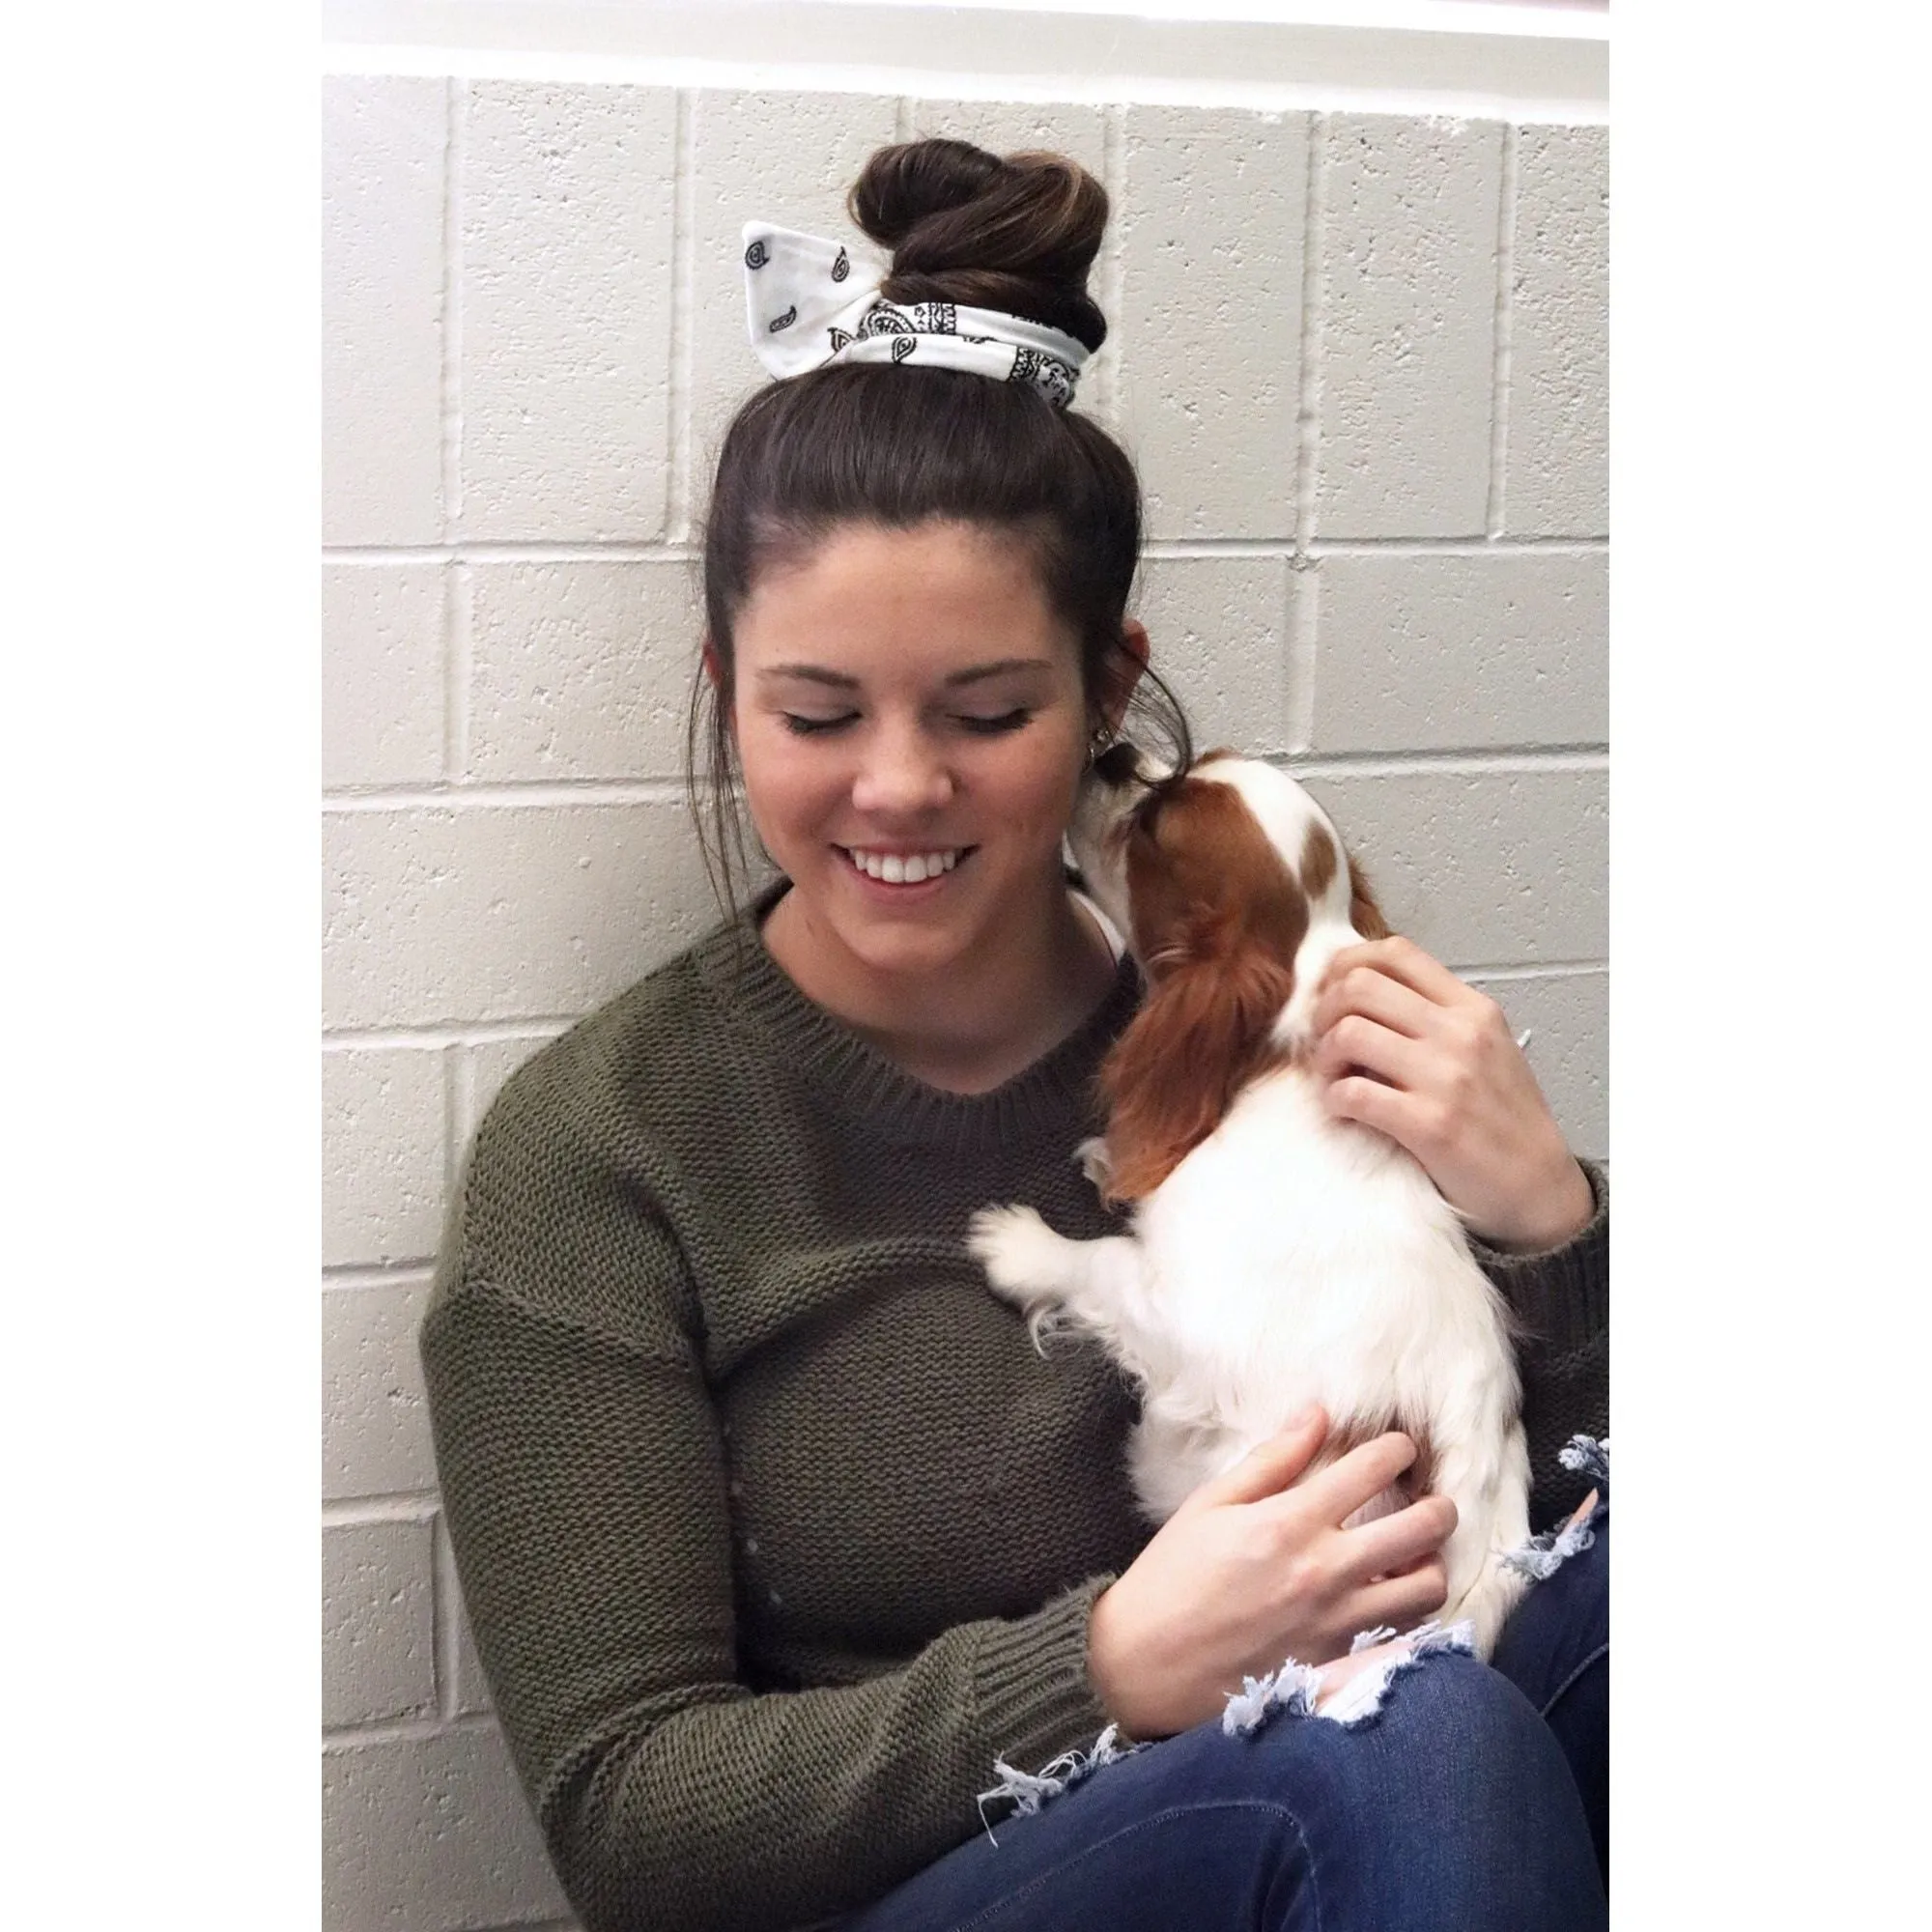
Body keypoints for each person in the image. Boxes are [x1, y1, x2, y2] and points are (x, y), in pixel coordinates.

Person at [421, 137, 1609, 1932]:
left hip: (1386, 1811)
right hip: (955, 1884)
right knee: (1408, 1743)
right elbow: (629, 1823)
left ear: (1107, 689)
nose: (898, 786)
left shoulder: (1265, 1010)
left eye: (985, 711)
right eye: (817, 711)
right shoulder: (605, 1155)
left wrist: (1557, 1236)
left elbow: (1533, 1505)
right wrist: (1112, 1666)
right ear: (723, 688)